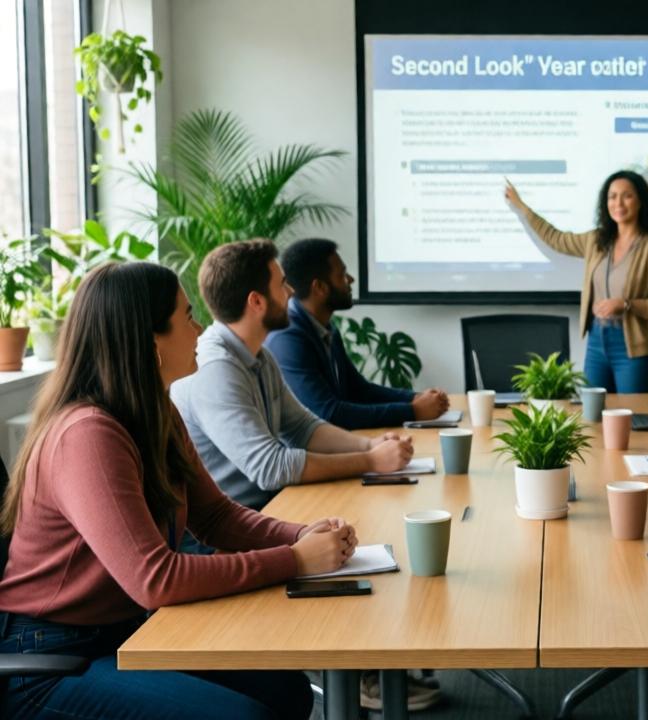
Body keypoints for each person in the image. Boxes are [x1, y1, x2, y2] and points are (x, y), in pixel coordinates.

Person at [0, 262, 356, 719]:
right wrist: (295, 560)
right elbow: (155, 580)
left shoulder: (155, 412)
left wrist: (300, 534)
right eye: (187, 317)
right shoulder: (87, 435)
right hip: (48, 661)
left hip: (121, 633)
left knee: (286, 690)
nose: (200, 328)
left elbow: (216, 517)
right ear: (152, 342)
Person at [171, 240, 414, 512]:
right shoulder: (216, 368)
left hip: (268, 509)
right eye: (282, 284)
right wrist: (370, 461)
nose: (290, 293)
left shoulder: (260, 356)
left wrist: (369, 445)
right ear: (256, 301)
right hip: (229, 532)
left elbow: (302, 429)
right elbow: (270, 468)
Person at [504, 170, 648, 393]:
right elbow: (556, 239)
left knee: (634, 422)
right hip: (596, 343)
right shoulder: (596, 240)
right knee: (593, 418)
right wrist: (522, 206)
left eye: (627, 196)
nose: (618, 203)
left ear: (641, 201)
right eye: (612, 196)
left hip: (634, 349)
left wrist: (626, 304)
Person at [266, 238, 449, 430]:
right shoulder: (287, 339)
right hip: (307, 456)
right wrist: (413, 411)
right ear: (319, 287)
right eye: (342, 275)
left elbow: (358, 390)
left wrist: (416, 398)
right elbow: (328, 414)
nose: (350, 280)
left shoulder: (325, 326)